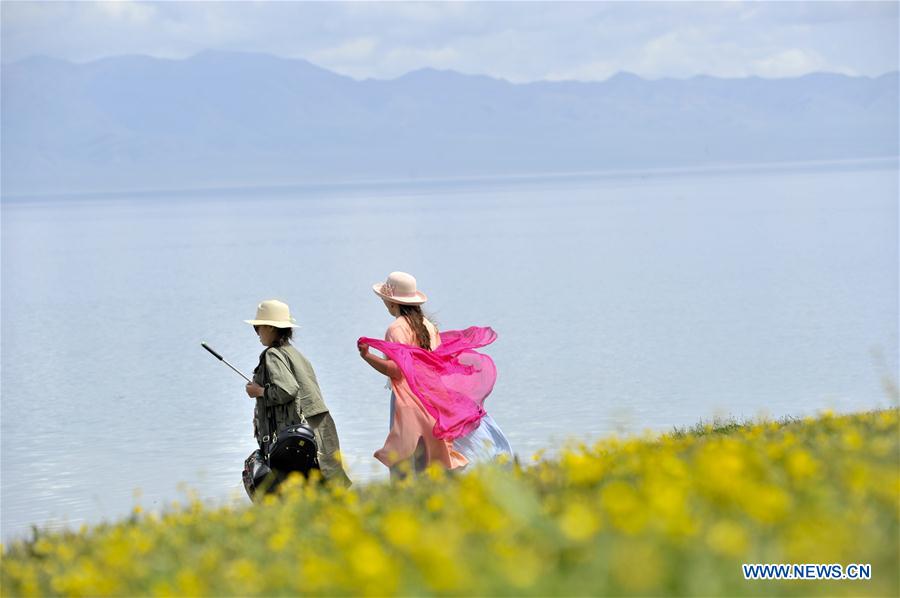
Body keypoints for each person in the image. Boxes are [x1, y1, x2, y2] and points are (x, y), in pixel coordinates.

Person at [357, 272, 512, 478]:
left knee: (405, 457)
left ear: (391, 302)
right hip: (434, 395)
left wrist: (367, 356)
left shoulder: (395, 329)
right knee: (434, 453)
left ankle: (409, 494)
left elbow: (397, 370)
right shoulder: (429, 326)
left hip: (408, 398)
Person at [244, 299, 351, 487]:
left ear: (270, 327)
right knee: (328, 483)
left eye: (257, 327)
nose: (257, 333)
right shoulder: (294, 353)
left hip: (300, 432)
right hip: (319, 425)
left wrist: (258, 391)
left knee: (297, 487)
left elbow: (287, 389)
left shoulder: (272, 354)